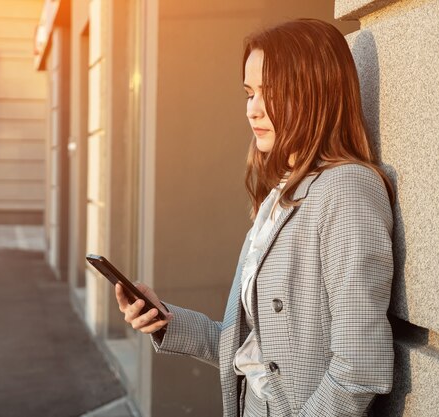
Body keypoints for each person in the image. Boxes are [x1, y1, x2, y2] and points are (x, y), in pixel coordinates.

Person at [115, 18, 395, 417]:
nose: (253, 110)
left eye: (272, 93)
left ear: (315, 94)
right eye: (249, 93)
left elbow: (361, 366)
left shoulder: (346, 190)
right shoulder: (280, 194)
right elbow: (255, 352)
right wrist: (165, 321)